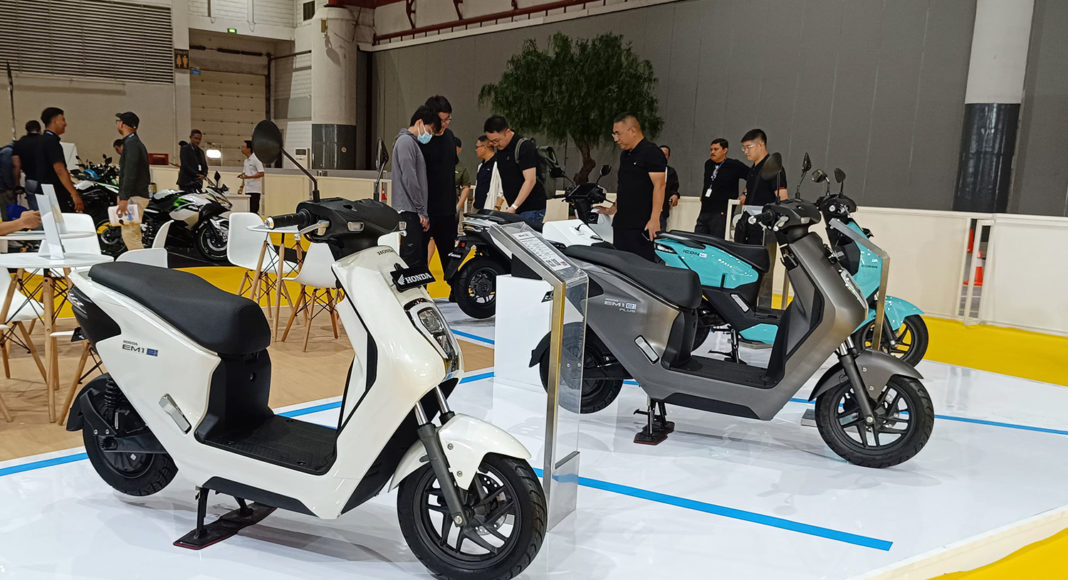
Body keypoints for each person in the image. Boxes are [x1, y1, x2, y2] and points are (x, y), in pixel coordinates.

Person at [597, 113, 666, 261]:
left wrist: (655, 219)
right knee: (620, 265)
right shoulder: (625, 155)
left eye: (618, 133)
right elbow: (625, 186)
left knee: (640, 267)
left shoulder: (652, 152)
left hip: (641, 226)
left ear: (632, 131)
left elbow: (660, 186)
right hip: (621, 224)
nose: (616, 139)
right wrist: (612, 208)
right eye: (614, 134)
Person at [391, 105, 438, 272]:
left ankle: (416, 288)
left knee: (416, 257)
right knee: (411, 258)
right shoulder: (405, 142)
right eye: (429, 130)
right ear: (419, 122)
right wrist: (421, 210)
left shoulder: (412, 143)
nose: (429, 135)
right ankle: (409, 288)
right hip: (410, 210)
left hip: (413, 210)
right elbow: (409, 178)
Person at [482, 115, 547, 227]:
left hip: (531, 208)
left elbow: (530, 180)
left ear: (507, 132)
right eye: (491, 142)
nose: (495, 144)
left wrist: (514, 206)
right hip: (515, 209)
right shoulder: (501, 150)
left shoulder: (524, 146)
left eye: (496, 140)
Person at [420, 95, 459, 272]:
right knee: (421, 258)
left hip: (447, 210)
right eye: (440, 120)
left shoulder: (450, 137)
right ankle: (421, 287)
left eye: (447, 119)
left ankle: (454, 286)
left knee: (450, 258)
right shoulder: (421, 141)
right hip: (426, 210)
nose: (444, 124)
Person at [737, 129, 787, 244]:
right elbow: (750, 185)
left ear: (761, 144)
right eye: (744, 148)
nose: (746, 151)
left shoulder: (773, 167)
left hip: (763, 226)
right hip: (749, 221)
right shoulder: (754, 167)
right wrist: (744, 194)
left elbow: (783, 198)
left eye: (748, 147)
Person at [695, 138, 749, 238]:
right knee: (698, 238)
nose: (712, 152)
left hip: (721, 211)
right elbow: (709, 181)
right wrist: (704, 193)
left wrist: (745, 193)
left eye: (716, 149)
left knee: (716, 240)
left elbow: (752, 176)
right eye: (711, 149)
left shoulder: (734, 165)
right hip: (705, 209)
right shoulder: (708, 164)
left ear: (725, 150)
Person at [33, 107, 83, 212]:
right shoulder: (51, 141)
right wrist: (74, 193)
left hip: (42, 190)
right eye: (63, 120)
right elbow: (60, 170)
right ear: (55, 121)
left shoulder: (41, 140)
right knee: (60, 220)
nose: (65, 124)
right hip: (53, 193)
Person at [115, 112, 150, 251]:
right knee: (133, 233)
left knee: (129, 234)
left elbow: (130, 172)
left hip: (134, 195)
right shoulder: (133, 142)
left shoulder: (132, 144)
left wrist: (124, 197)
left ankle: (139, 262)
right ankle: (139, 260)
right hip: (136, 194)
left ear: (122, 124)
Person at [11, 121, 42, 210]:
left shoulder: (19, 143)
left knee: (34, 212)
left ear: (27, 130)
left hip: (30, 181)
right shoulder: (45, 141)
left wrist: (17, 185)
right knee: (49, 211)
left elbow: (16, 166)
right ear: (39, 130)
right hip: (45, 181)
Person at [473, 134, 502, 210]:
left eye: (477, 147)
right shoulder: (481, 166)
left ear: (484, 147)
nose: (476, 150)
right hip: (477, 207)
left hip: (490, 207)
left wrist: (497, 207)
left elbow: (502, 189)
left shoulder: (498, 164)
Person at [239, 140, 265, 214]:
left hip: (255, 190)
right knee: (248, 210)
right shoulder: (246, 161)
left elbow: (261, 173)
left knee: (254, 211)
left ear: (249, 149)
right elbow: (244, 174)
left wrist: (249, 177)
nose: (241, 149)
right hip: (247, 190)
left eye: (243, 147)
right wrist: (241, 187)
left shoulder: (256, 159)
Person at [659, 145, 680, 231]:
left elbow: (674, 188)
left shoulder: (671, 172)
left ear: (668, 157)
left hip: (662, 211)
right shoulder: (647, 170)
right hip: (646, 211)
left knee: (660, 235)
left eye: (665, 154)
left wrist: (675, 195)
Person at [454, 137, 473, 215]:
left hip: (452, 203)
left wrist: (458, 206)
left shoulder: (461, 167)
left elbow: (466, 187)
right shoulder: (437, 162)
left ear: (459, 149)